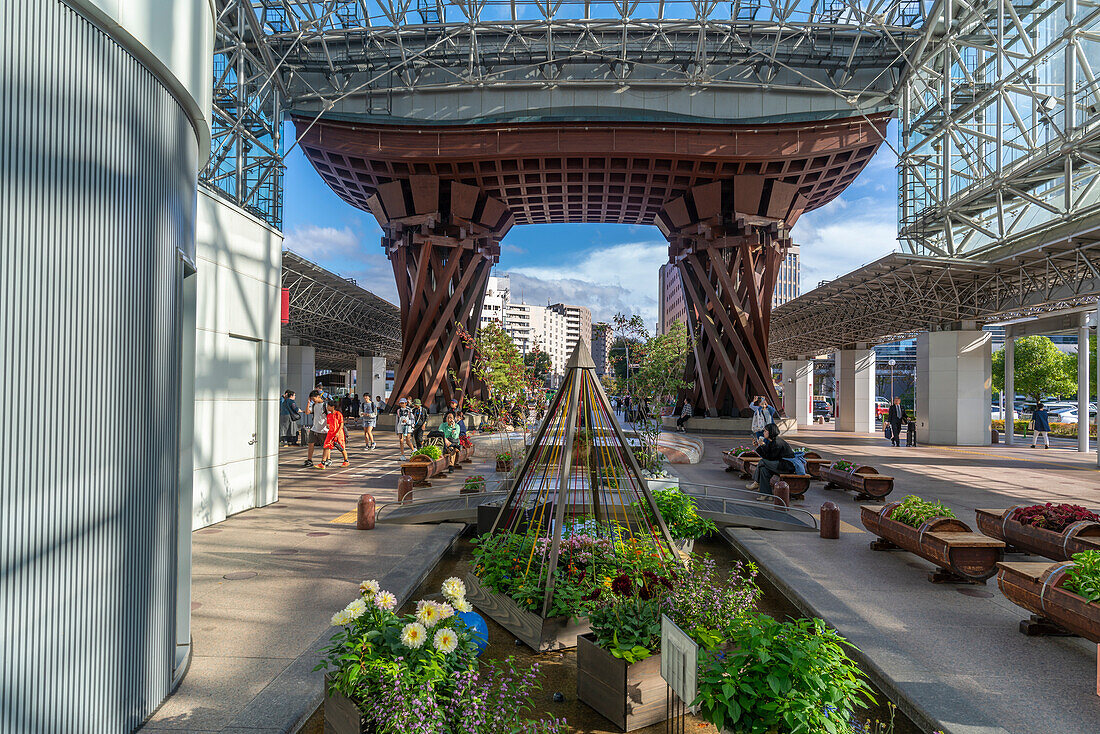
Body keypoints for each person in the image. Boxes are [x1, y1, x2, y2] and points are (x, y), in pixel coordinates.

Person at [748, 423, 802, 500]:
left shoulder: (777, 442)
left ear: (771, 432)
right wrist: (758, 446)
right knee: (764, 470)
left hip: (786, 466)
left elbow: (771, 458)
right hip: (778, 464)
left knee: (762, 462)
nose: (763, 432)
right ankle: (766, 494)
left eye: (765, 431)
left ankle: (756, 482)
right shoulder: (771, 441)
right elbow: (766, 456)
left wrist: (763, 445)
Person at [318, 399, 350, 468]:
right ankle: (322, 463)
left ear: (332, 407)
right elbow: (328, 424)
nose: (327, 408)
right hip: (330, 433)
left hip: (338, 434)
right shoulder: (329, 415)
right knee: (326, 446)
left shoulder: (338, 414)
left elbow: (341, 424)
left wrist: (338, 432)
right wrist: (327, 426)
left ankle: (346, 461)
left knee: (341, 448)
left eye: (328, 406)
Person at [304, 390, 328, 467]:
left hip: (324, 429)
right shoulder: (314, 405)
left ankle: (325, 460)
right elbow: (307, 412)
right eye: (311, 399)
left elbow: (330, 415)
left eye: (314, 399)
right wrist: (308, 403)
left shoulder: (325, 405)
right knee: (310, 443)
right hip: (314, 428)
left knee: (325, 446)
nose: (313, 400)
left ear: (318, 396)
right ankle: (309, 459)